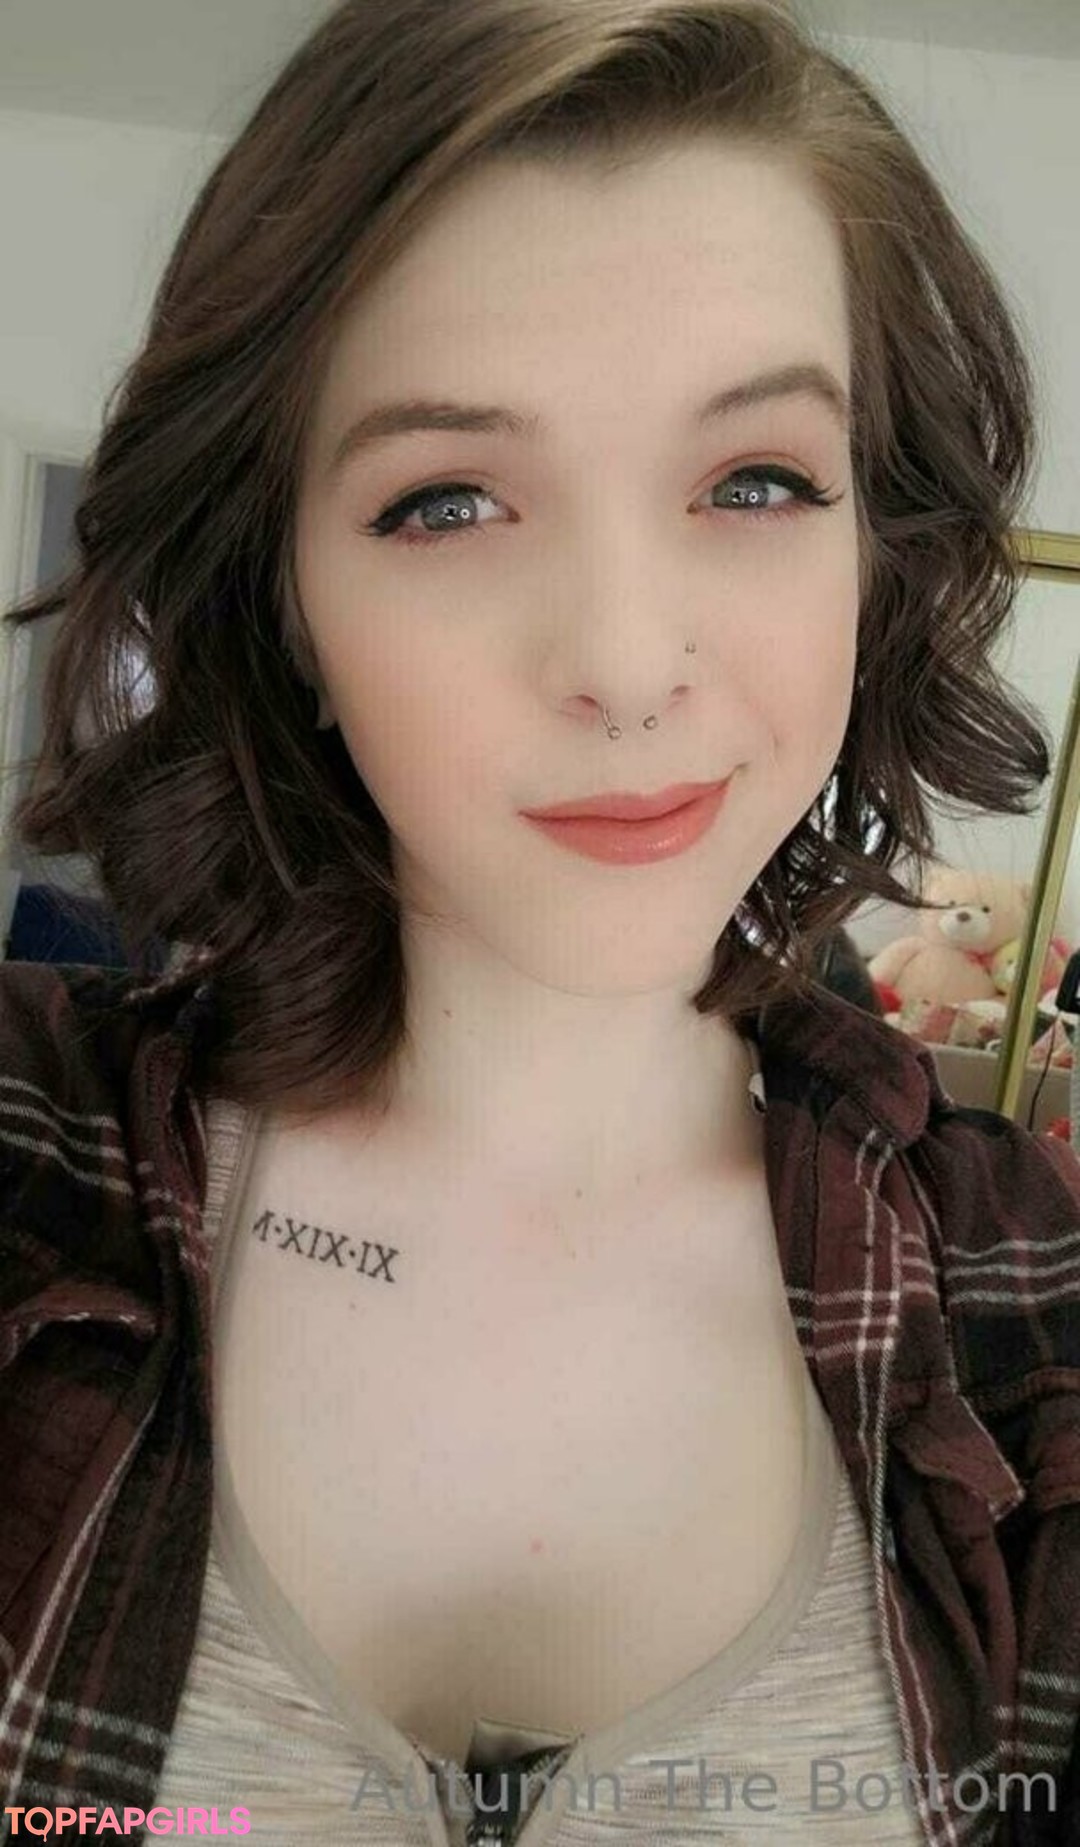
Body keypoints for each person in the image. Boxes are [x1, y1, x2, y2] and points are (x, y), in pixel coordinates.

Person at [2, 2, 1079, 1843]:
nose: (626, 662)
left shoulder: (1028, 1300)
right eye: (447, 502)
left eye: (756, 481)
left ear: (871, 552)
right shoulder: (33, 1164)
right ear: (286, 605)